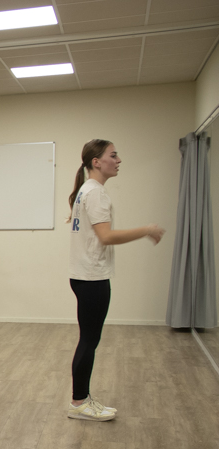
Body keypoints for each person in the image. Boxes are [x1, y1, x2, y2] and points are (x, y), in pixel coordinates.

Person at [66, 139, 164, 421]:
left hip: (84, 275)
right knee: (89, 341)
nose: (118, 160)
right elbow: (106, 236)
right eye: (113, 155)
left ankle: (82, 400)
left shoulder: (86, 190)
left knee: (88, 340)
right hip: (92, 277)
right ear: (96, 162)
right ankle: (79, 403)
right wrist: (146, 229)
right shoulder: (95, 193)